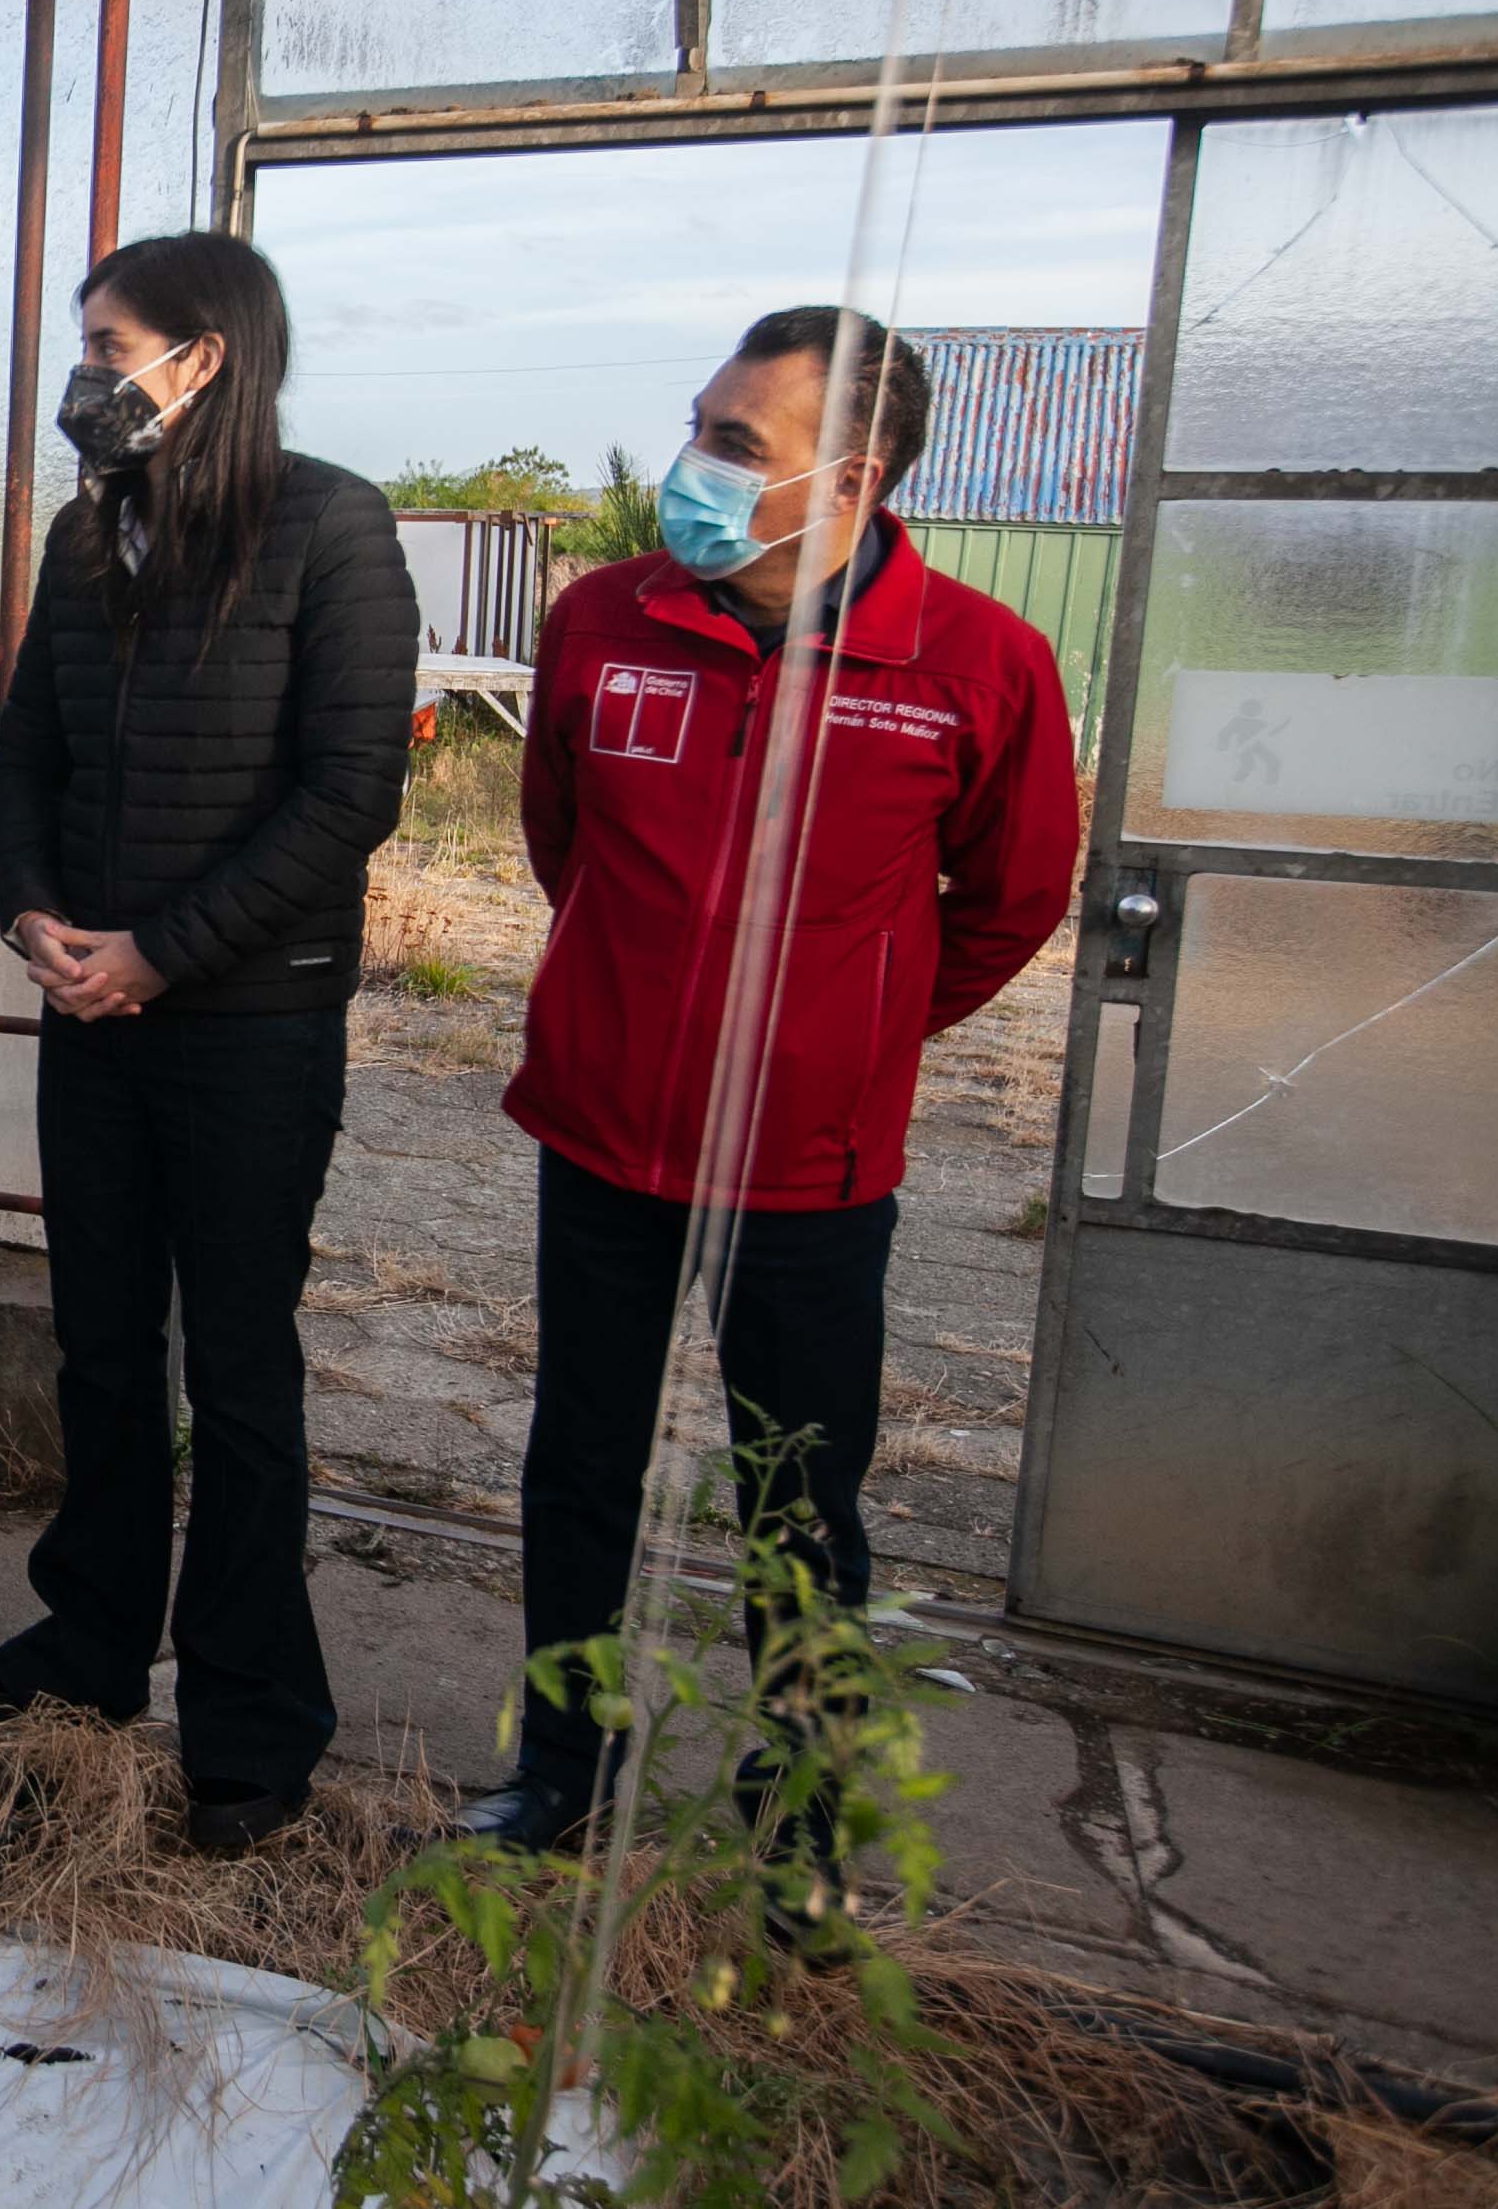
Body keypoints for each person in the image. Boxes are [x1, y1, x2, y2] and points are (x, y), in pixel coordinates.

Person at [438, 306, 1080, 1856]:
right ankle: (560, 1770)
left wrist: (848, 1031)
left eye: (737, 444)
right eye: (699, 425)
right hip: (600, 1133)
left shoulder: (974, 663)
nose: (691, 467)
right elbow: (560, 836)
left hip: (809, 1166)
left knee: (797, 1498)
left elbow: (1012, 895)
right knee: (576, 1466)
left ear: (849, 480)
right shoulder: (602, 620)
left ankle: (794, 1810)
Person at [0, 232, 417, 1853]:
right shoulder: (94, 541)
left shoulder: (330, 526)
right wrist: (38, 918)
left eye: (107, 341)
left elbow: (350, 790)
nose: (83, 375)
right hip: (98, 1016)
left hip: (249, 1025)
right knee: (96, 1347)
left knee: (238, 1366)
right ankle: (88, 1645)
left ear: (203, 357)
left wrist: (164, 950)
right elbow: (23, 764)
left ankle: (250, 1721)